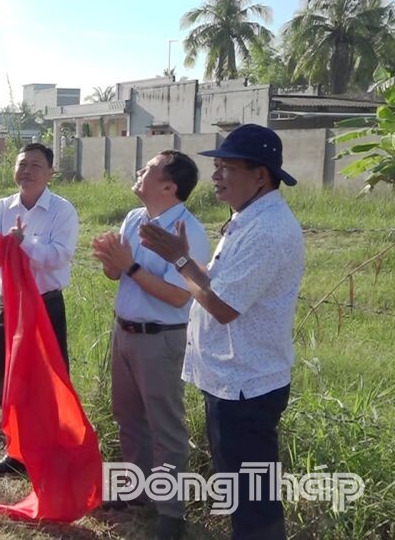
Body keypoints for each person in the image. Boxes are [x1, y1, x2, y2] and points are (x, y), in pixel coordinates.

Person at [139, 124, 304, 540]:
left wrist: (179, 261)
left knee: (253, 502)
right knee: (243, 493)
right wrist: (181, 259)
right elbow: (214, 282)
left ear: (260, 175)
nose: (215, 176)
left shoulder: (267, 231)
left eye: (226, 167)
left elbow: (223, 307)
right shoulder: (248, 219)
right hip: (232, 380)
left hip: (247, 386)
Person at [92, 150, 209, 540]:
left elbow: (178, 297)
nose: (140, 171)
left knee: (165, 426)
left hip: (161, 339)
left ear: (169, 187)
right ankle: (137, 492)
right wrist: (111, 260)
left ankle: (172, 513)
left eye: (150, 169)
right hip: (125, 333)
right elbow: (117, 275)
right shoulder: (133, 218)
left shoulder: (189, 233)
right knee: (128, 417)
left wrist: (129, 265)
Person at [0, 142, 78, 476]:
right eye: (22, 164)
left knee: (48, 380)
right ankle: (17, 451)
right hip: (7, 305)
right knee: (5, 374)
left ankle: (51, 450)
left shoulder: (62, 211)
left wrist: (24, 244)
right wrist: (6, 244)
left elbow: (59, 256)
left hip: (44, 306)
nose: (27, 171)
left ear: (50, 173)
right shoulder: (2, 207)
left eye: (36, 165)